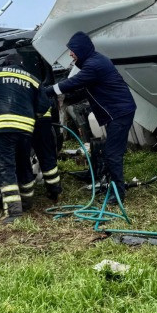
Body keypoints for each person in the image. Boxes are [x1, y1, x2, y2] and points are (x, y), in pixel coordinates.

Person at [42, 31, 136, 202]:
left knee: (113, 154)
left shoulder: (94, 65)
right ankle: (102, 179)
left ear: (82, 49)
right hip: (117, 112)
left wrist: (46, 91)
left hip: (119, 113)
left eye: (73, 50)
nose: (70, 54)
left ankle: (118, 194)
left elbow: (73, 83)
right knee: (107, 150)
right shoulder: (94, 62)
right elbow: (86, 90)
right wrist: (67, 100)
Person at [0, 53, 47, 223]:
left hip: (3, 128)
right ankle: (27, 202)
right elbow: (43, 105)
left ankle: (13, 213)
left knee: (6, 168)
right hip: (26, 130)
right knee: (24, 164)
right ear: (21, 65)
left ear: (6, 63)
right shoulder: (33, 79)